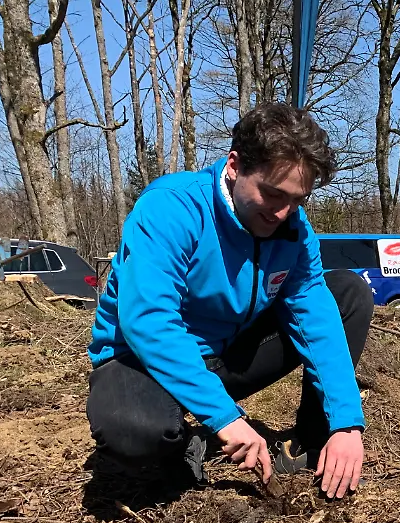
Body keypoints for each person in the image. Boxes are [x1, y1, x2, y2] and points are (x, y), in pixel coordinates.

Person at [86, 102, 372, 500]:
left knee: (347, 293)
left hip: (226, 355)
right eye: (272, 194)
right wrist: (225, 418)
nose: (283, 212)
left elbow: (315, 314)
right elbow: (149, 320)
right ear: (235, 165)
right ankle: (186, 442)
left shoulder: (292, 228)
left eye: (298, 200)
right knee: (135, 432)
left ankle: (314, 440)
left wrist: (346, 423)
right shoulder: (171, 208)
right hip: (139, 360)